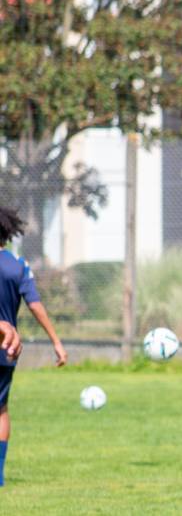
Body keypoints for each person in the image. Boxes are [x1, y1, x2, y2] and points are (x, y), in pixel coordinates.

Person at [0, 206, 66, 487]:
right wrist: (56, 342)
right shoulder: (18, 266)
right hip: (7, 349)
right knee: (0, 409)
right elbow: (35, 305)